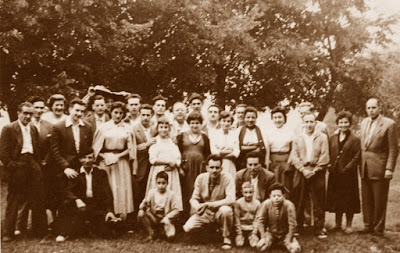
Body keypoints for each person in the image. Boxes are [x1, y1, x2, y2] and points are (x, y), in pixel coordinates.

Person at [0, 102, 47, 242]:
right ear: (18, 113)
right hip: (18, 164)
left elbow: (36, 147)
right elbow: (3, 152)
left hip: (32, 163)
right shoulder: (9, 128)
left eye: (30, 114)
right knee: (14, 199)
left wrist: (38, 164)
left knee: (38, 198)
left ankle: (39, 231)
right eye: (25, 113)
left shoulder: (33, 128)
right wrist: (12, 165)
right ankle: (8, 232)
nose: (28, 116)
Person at [55, 151, 117, 242]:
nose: (87, 161)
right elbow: (67, 191)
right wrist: (77, 200)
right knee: (70, 217)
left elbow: (107, 193)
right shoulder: (75, 173)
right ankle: (65, 233)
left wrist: (109, 211)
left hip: (95, 205)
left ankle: (90, 228)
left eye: (90, 157)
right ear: (80, 159)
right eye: (84, 158)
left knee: (107, 233)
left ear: (94, 159)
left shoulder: (101, 173)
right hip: (80, 206)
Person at [15, 97, 53, 235]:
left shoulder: (48, 125)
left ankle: (38, 227)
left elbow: (51, 146)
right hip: (26, 163)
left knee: (39, 196)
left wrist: (45, 160)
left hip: (42, 164)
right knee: (23, 195)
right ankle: (20, 226)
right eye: (36, 107)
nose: (38, 110)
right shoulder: (25, 123)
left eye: (41, 108)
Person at [360, 98, 398, 235]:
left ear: (379, 108)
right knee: (366, 198)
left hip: (380, 167)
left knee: (379, 199)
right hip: (364, 166)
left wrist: (389, 168)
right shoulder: (364, 122)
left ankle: (378, 228)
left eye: (373, 107)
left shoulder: (389, 124)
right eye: (368, 108)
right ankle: (367, 225)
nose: (371, 110)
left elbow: (393, 149)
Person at [93, 101, 136, 219]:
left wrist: (118, 156)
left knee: (121, 189)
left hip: (121, 162)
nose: (118, 115)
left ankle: (122, 218)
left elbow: (131, 148)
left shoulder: (128, 128)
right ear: (110, 112)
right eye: (115, 112)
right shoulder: (103, 128)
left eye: (121, 113)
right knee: (108, 188)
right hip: (106, 162)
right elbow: (96, 149)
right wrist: (105, 156)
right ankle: (106, 215)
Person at [51, 98, 93, 216]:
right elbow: (55, 151)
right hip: (64, 168)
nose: (79, 114)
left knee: (80, 193)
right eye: (77, 110)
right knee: (64, 197)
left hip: (81, 166)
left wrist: (85, 164)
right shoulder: (58, 127)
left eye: (82, 111)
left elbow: (88, 148)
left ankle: (80, 224)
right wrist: (65, 167)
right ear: (70, 109)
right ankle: (60, 225)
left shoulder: (87, 127)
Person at [183, 154, 235, 250]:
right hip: (206, 212)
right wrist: (198, 207)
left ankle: (226, 237)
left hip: (220, 210)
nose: (214, 170)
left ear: (221, 168)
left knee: (226, 211)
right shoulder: (200, 178)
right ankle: (211, 233)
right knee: (188, 227)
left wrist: (209, 204)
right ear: (207, 168)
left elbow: (231, 199)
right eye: (211, 167)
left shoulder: (228, 178)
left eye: (217, 168)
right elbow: (194, 198)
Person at [290, 112, 329, 238]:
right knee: (299, 199)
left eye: (311, 122)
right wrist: (303, 170)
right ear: (303, 123)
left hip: (316, 172)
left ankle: (319, 227)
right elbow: (294, 156)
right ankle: (299, 227)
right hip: (301, 171)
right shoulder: (297, 138)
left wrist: (315, 170)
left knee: (319, 200)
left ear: (315, 123)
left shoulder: (322, 137)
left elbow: (325, 156)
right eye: (306, 122)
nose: (309, 124)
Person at [326, 111, 360, 234]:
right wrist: (329, 165)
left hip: (348, 174)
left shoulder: (355, 139)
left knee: (349, 199)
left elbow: (357, 156)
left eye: (346, 122)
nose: (343, 125)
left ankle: (349, 225)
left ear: (350, 123)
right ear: (337, 123)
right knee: (337, 198)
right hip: (335, 173)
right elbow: (329, 153)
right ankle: (337, 224)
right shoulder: (332, 138)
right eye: (341, 122)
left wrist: (348, 168)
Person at [177, 112, 211, 217]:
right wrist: (179, 168)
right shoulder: (182, 136)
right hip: (186, 168)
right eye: (192, 123)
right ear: (188, 123)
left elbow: (208, 154)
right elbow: (177, 152)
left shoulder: (205, 137)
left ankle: (197, 214)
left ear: (200, 124)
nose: (195, 125)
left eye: (197, 123)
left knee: (199, 189)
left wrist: (206, 168)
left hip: (200, 168)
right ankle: (184, 216)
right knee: (186, 190)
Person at [146, 117, 183, 211]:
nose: (163, 129)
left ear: (169, 129)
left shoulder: (172, 142)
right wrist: (167, 162)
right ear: (157, 128)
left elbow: (178, 157)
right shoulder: (155, 141)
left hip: (172, 172)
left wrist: (174, 164)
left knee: (171, 193)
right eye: (161, 127)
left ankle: (171, 215)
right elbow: (152, 159)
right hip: (158, 170)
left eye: (165, 127)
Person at [256, 183, 301, 253]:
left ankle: (286, 242)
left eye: (279, 195)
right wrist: (263, 237)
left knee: (295, 250)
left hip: (285, 233)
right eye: (274, 196)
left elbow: (293, 224)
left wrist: (289, 239)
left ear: (284, 196)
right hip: (271, 233)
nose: (276, 198)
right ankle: (273, 242)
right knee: (261, 248)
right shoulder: (266, 204)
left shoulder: (289, 205)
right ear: (270, 196)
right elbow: (261, 221)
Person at [138, 171, 180, 242]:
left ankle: (162, 232)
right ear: (155, 183)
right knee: (141, 213)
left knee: (171, 237)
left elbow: (176, 210)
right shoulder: (152, 192)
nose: (161, 186)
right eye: (159, 183)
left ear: (167, 183)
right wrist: (144, 203)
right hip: (154, 217)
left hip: (165, 218)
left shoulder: (171, 194)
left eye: (163, 183)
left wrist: (167, 217)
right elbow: (141, 207)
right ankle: (151, 233)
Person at [132, 104, 157, 218]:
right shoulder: (133, 129)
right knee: (138, 192)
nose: (145, 117)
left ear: (152, 115)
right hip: (139, 164)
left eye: (148, 115)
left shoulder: (155, 129)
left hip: (152, 165)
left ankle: (150, 217)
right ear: (139, 115)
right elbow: (132, 148)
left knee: (151, 191)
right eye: (143, 115)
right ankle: (137, 219)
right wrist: (147, 144)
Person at [266, 106, 295, 198]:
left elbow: (293, 149)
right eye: (275, 118)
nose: (277, 120)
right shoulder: (269, 132)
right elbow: (267, 149)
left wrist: (289, 162)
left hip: (285, 159)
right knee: (274, 182)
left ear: (284, 118)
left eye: (280, 117)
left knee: (286, 184)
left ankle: (286, 205)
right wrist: (267, 162)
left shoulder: (290, 132)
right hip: (273, 160)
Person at [209, 111, 239, 179]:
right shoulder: (214, 134)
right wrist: (229, 150)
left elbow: (236, 153)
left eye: (228, 121)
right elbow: (214, 152)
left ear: (231, 123)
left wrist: (221, 151)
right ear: (220, 121)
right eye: (224, 121)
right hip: (217, 164)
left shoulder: (234, 134)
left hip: (230, 163)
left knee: (231, 181)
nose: (226, 123)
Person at [234, 182, 260, 248]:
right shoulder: (238, 203)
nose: (248, 195)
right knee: (239, 244)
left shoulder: (257, 203)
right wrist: (239, 233)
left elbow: (257, 219)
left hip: (252, 227)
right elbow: (236, 218)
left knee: (254, 244)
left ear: (253, 192)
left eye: (250, 192)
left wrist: (254, 232)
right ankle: (241, 237)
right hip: (241, 227)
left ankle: (251, 237)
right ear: (242, 192)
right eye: (245, 192)